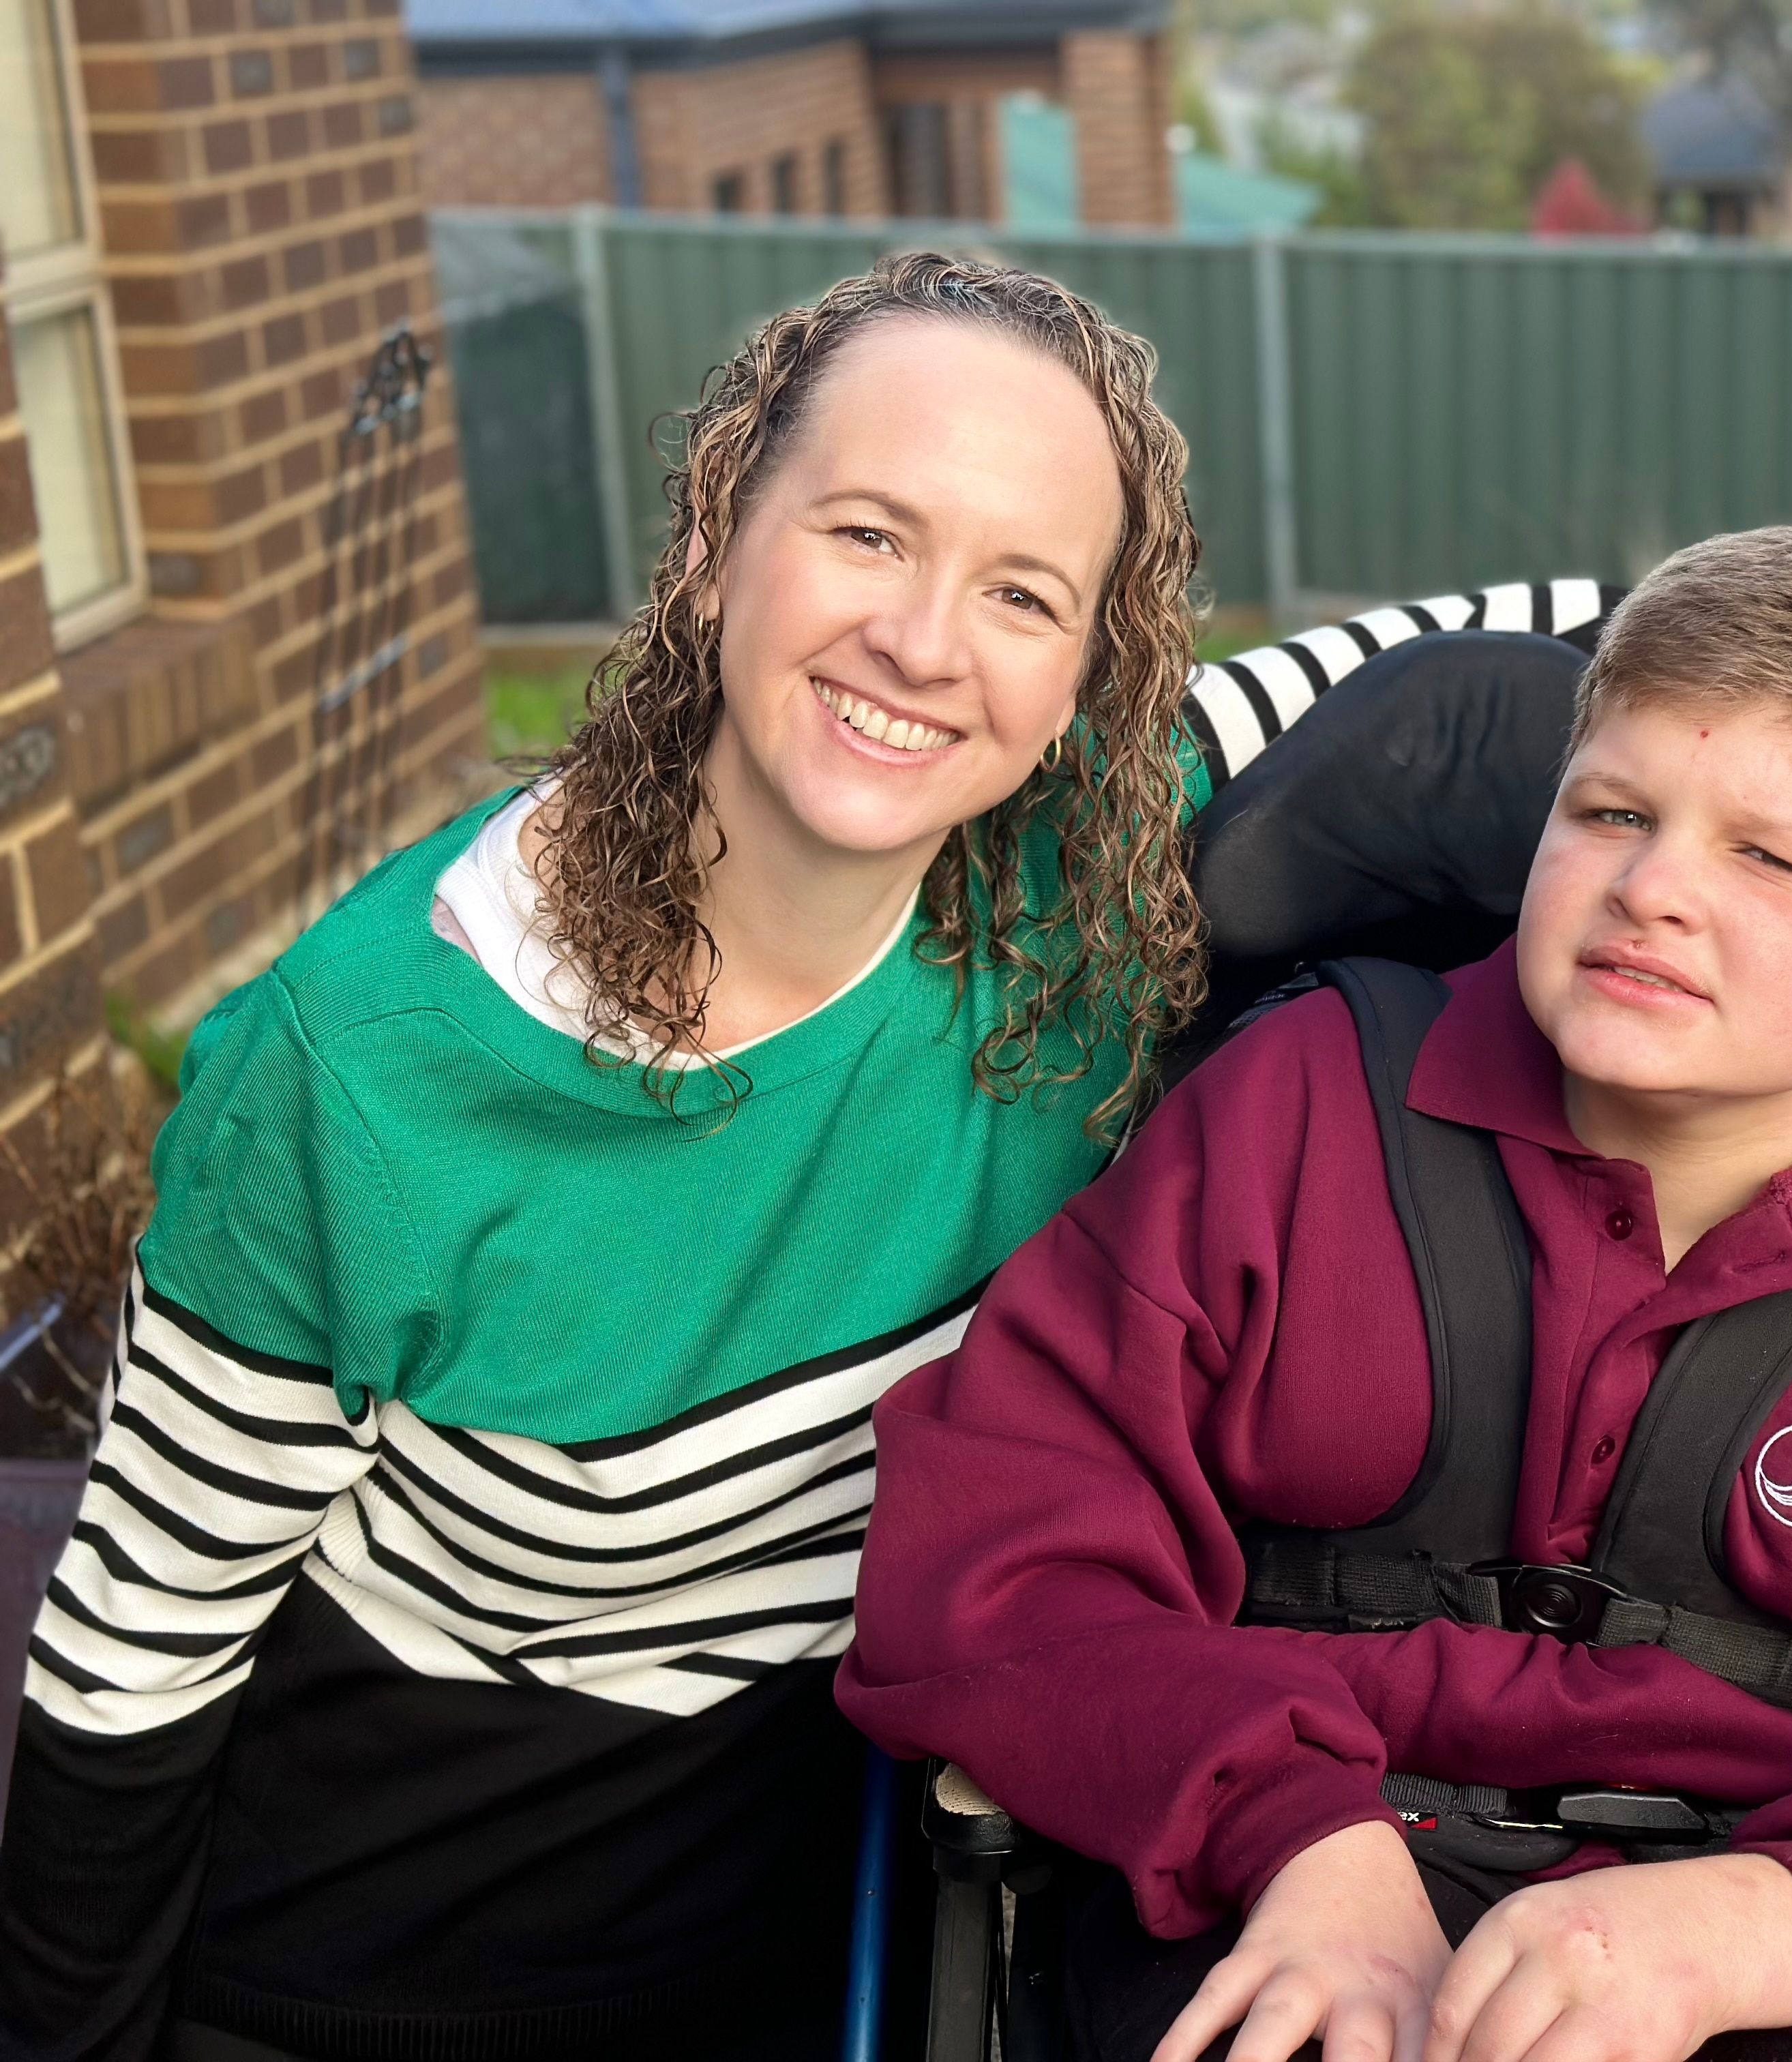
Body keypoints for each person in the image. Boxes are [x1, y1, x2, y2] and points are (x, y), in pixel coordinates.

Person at [0, 251, 1448, 2062]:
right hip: (381, 1970)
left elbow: (1539, 659)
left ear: (1093, 672)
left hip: (827, 1945)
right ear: (712, 541)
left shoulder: (1077, 881)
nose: (928, 643)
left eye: (1022, 590)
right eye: (865, 534)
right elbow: (141, 1642)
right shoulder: (367, 1069)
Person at [841, 526, 1792, 2062]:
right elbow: (995, 1557)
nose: (1653, 888)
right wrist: (1292, 1834)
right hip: (1293, 1885)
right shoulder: (1294, 1111)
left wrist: (1758, 1933)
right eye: (1613, 812)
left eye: (1769, 854)